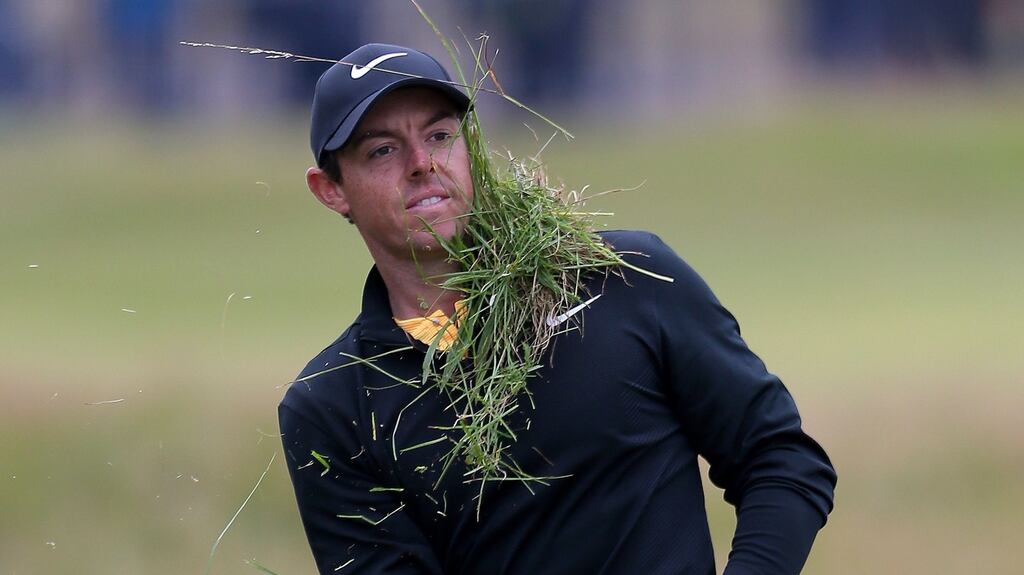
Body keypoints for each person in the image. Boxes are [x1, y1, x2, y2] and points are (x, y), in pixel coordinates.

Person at [279, 42, 837, 575]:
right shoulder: (332, 406)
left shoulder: (623, 276)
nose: (422, 162)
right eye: (382, 149)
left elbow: (782, 462)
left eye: (441, 134)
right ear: (331, 189)